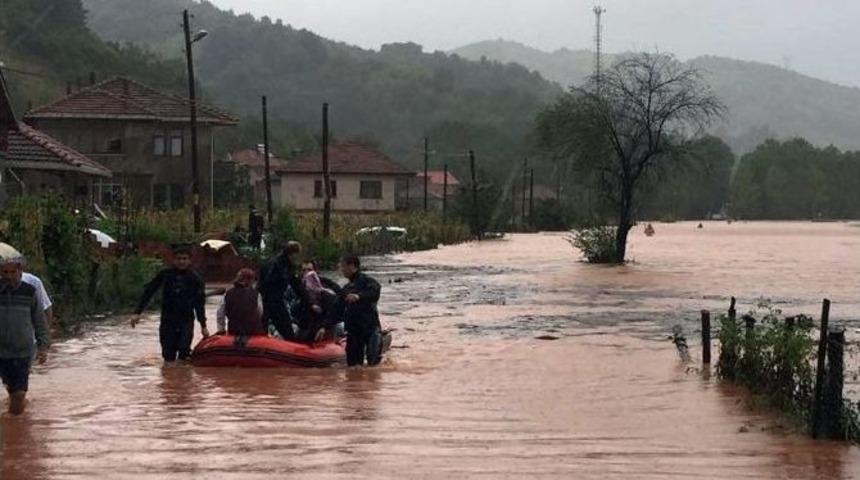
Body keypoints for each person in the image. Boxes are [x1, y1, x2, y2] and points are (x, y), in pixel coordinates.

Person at [131, 245, 209, 362]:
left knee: (184, 352)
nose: (181, 261)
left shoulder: (195, 279)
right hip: (168, 320)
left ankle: (182, 378)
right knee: (168, 355)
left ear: (189, 260)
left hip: (186, 320)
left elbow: (199, 304)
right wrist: (137, 312)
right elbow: (149, 292)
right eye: (178, 259)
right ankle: (169, 377)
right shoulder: (165, 275)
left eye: (184, 259)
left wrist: (203, 326)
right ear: (173, 260)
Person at [0, 255, 50, 415]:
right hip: (1, 350)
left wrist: (43, 347)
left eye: (13, 272)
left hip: (22, 351)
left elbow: (39, 320)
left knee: (19, 394)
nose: (9, 276)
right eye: (5, 272)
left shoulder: (30, 291)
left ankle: (15, 431)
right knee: (11, 388)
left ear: (20, 271)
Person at [259, 241, 311, 340]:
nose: (298, 258)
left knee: (287, 331)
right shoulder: (277, 265)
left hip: (273, 301)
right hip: (270, 301)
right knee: (284, 332)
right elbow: (265, 283)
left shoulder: (287, 266)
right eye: (297, 255)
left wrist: (309, 302)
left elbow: (297, 286)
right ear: (292, 254)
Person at [339, 254, 383, 367]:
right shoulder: (346, 288)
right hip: (354, 331)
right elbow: (336, 309)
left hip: (370, 328)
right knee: (353, 367)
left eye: (343, 266)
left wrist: (359, 296)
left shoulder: (368, 281)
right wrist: (324, 326)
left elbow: (375, 292)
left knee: (373, 365)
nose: (341, 269)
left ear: (353, 266)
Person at [215, 268, 266, 336]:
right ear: (250, 280)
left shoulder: (228, 294)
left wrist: (221, 330)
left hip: (234, 331)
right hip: (254, 332)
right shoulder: (256, 294)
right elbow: (260, 312)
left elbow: (220, 313)